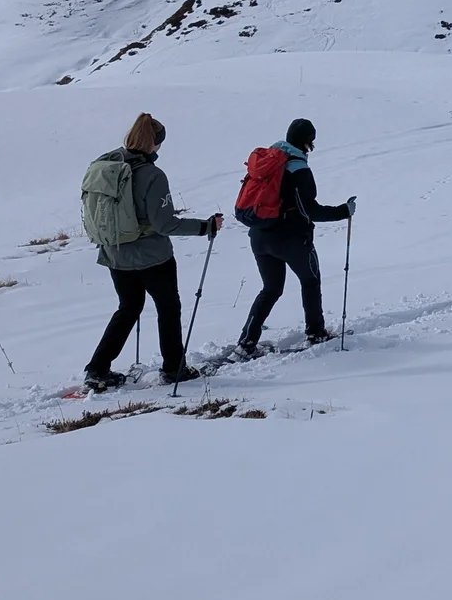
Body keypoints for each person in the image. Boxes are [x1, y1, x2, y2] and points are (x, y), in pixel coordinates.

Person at [82, 113, 221, 391]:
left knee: (128, 308)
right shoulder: (152, 175)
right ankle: (173, 368)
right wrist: (205, 227)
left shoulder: (107, 164)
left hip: (116, 253)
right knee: (168, 309)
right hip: (153, 257)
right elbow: (165, 223)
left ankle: (97, 369)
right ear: (154, 143)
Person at [236, 118, 355, 354]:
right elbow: (309, 210)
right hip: (290, 239)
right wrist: (343, 211)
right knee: (310, 281)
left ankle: (247, 341)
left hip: (259, 236)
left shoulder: (268, 161)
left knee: (271, 289)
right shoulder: (298, 169)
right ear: (307, 142)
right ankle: (316, 332)